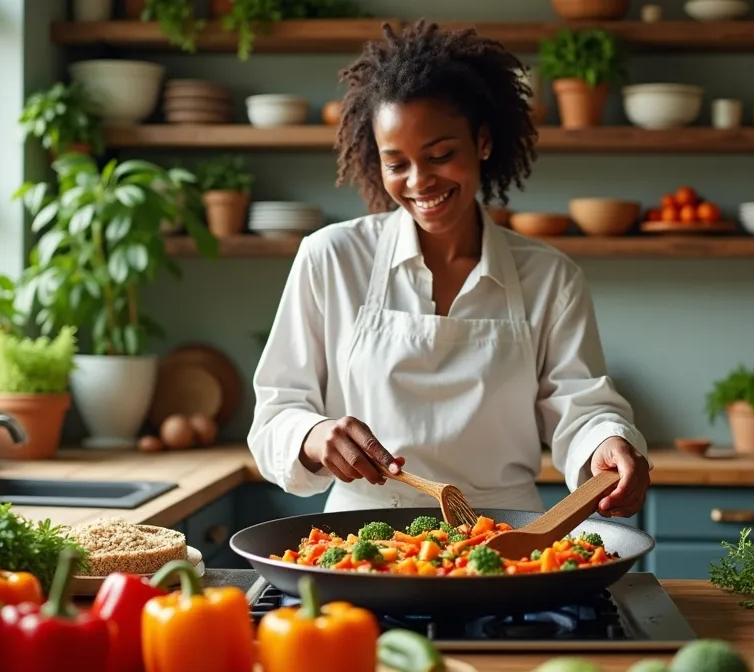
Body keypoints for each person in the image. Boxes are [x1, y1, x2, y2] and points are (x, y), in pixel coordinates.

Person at [248, 20, 650, 518]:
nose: (420, 182)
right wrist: (311, 435)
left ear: (482, 142)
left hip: (504, 536)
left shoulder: (550, 278)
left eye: (440, 155)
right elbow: (274, 416)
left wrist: (606, 443)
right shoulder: (330, 258)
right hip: (357, 537)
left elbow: (581, 407)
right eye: (397, 164)